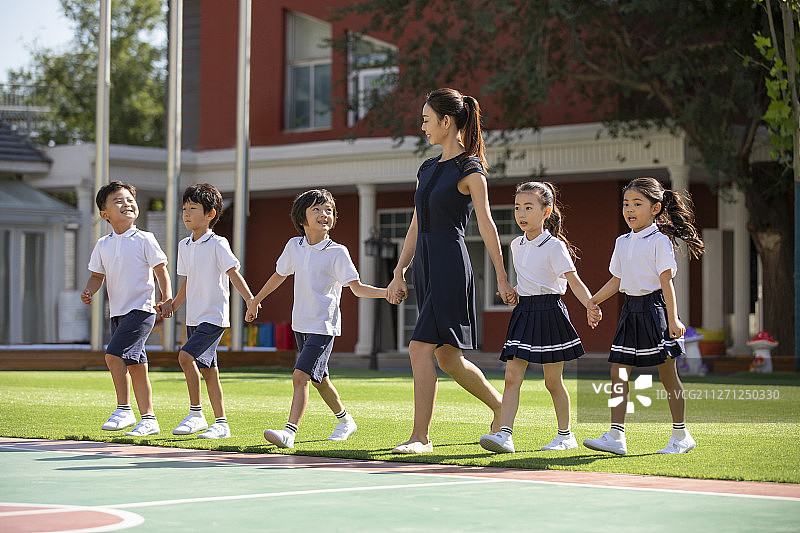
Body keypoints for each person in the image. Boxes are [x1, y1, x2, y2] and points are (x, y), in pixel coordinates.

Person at [385, 88, 515, 454]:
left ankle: (420, 438)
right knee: (447, 357)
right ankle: (502, 410)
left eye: (427, 120)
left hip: (450, 264)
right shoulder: (426, 168)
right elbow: (415, 224)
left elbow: (488, 226)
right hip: (425, 263)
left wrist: (502, 277)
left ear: (447, 121)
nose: (423, 126)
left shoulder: (471, 169)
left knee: (418, 348)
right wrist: (399, 271)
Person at [245, 189, 388, 449]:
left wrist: (386, 293)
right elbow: (279, 274)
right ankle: (346, 421)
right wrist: (255, 299)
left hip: (323, 326)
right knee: (320, 380)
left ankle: (289, 432)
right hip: (300, 324)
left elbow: (355, 287)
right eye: (317, 210)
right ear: (302, 218)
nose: (325, 215)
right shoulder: (293, 246)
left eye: (329, 210)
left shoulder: (338, 252)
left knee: (300, 376)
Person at [583, 177, 704, 455]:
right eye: (626, 204)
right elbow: (617, 280)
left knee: (667, 374)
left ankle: (681, 435)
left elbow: (666, 282)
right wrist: (593, 301)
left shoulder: (660, 241)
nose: (629, 209)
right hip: (630, 311)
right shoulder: (622, 241)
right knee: (618, 371)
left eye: (637, 203)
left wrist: (673, 319)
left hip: (655, 310)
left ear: (656, 208)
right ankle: (616, 436)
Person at [479, 182, 601, 454]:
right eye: (517, 208)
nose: (521, 213)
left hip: (551, 312)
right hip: (524, 312)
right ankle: (505, 435)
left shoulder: (555, 246)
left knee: (552, 381)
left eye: (528, 207)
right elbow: (527, 281)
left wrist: (591, 305)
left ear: (546, 212)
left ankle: (565, 436)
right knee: (512, 376)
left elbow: (574, 281)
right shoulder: (515, 245)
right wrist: (514, 292)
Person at [163, 183, 257, 439]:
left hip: (213, 317)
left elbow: (233, 273)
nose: (186, 213)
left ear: (210, 214)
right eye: (184, 208)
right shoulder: (184, 245)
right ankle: (221, 424)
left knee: (185, 357)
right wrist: (173, 303)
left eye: (193, 208)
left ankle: (196, 414)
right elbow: (187, 281)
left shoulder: (218, 243)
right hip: (193, 316)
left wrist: (250, 299)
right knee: (209, 370)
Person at [81, 180, 173, 437]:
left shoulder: (145, 238)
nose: (127, 204)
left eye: (130, 200)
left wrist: (166, 297)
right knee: (135, 366)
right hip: (118, 313)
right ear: (104, 214)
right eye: (118, 201)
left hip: (142, 310)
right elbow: (96, 276)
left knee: (113, 356)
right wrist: (89, 291)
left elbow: (161, 271)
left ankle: (124, 409)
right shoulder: (103, 244)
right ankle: (149, 419)